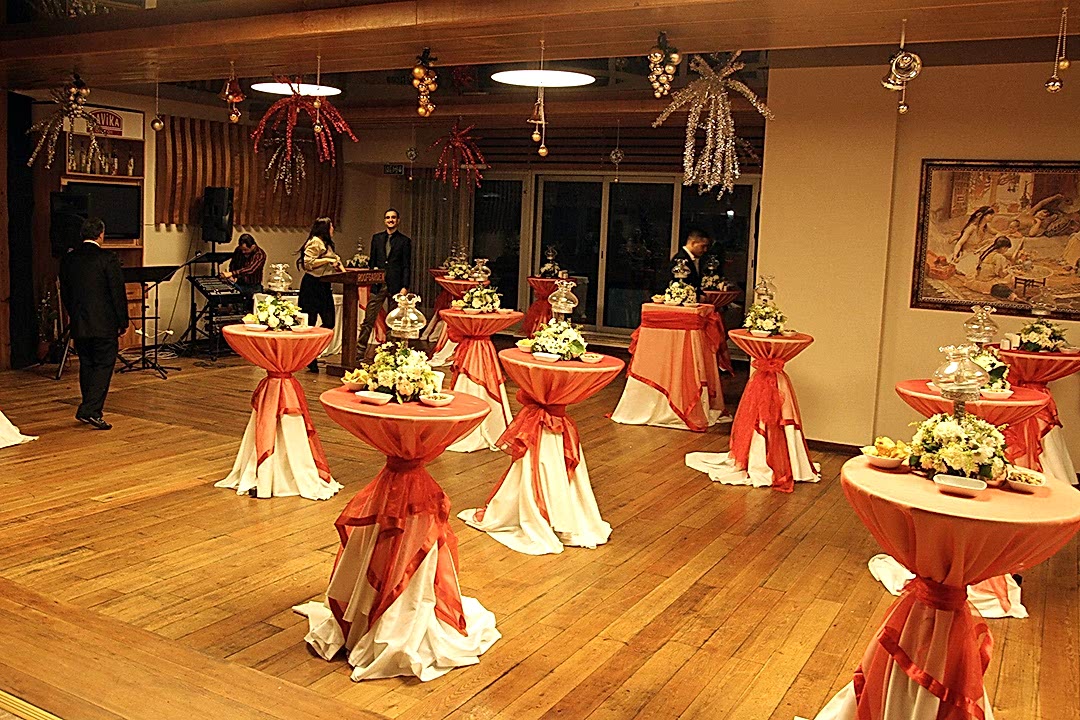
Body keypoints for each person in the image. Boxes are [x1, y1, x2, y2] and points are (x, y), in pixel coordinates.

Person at [58, 217, 129, 430]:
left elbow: (66, 292)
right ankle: (90, 410)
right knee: (104, 365)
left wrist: (74, 314)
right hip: (104, 323)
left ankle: (90, 407)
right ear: (101, 234)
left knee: (87, 363)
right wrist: (123, 321)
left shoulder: (69, 259)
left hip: (80, 322)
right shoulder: (108, 258)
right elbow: (117, 293)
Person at [359, 208, 412, 357]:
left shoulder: (404, 241)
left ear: (398, 220)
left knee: (394, 321)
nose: (390, 220)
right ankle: (359, 352)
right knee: (368, 319)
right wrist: (372, 277)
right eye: (388, 218)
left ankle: (392, 353)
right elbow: (372, 262)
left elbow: (407, 265)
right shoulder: (377, 238)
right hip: (378, 284)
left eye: (393, 217)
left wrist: (405, 286)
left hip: (396, 285)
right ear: (384, 220)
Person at [296, 217, 344, 372]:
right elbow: (308, 263)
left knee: (329, 322)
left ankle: (311, 352)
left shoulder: (326, 244)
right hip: (312, 286)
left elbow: (332, 262)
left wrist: (339, 268)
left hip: (324, 285)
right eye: (331, 226)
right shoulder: (315, 242)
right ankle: (309, 357)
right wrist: (327, 260)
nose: (333, 229)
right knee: (309, 322)